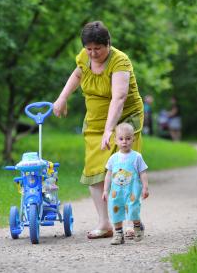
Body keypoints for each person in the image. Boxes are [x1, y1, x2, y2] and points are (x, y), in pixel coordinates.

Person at [53, 21, 144, 239]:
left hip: (123, 121)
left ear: (108, 44)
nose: (93, 53)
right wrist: (62, 97)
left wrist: (109, 130)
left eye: (98, 48)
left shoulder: (120, 61)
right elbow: (78, 74)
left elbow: (119, 97)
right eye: (89, 48)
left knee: (126, 170)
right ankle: (105, 224)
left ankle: (131, 223)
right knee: (95, 171)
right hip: (94, 121)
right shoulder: (85, 57)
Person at [102, 123, 149, 245]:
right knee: (115, 211)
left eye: (128, 138)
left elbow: (143, 173)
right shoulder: (113, 158)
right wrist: (105, 190)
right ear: (115, 140)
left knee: (133, 209)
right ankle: (118, 234)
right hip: (116, 192)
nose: (124, 142)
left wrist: (145, 187)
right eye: (121, 139)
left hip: (132, 191)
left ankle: (137, 226)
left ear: (133, 139)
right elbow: (108, 175)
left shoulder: (136, 157)